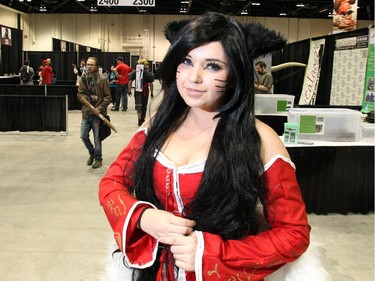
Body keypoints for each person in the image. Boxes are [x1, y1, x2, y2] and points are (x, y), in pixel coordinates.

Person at [99, 12, 310, 281]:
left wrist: (211, 252)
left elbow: (294, 233)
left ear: (235, 73)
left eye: (212, 66)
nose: (194, 77)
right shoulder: (158, 124)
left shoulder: (261, 140)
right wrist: (143, 218)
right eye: (186, 61)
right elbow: (111, 183)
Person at [77, 57, 111, 169]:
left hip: (98, 115)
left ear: (96, 66)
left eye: (91, 65)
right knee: (83, 136)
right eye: (87, 64)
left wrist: (100, 108)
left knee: (97, 138)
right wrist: (89, 99)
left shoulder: (103, 79)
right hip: (86, 113)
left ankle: (98, 159)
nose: (89, 66)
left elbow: (108, 97)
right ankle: (92, 152)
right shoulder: (83, 79)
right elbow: (80, 94)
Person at [128, 59, 154, 126]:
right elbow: (151, 84)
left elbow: (130, 81)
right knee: (144, 106)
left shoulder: (135, 72)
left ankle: (139, 119)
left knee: (138, 105)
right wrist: (152, 92)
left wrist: (129, 90)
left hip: (137, 91)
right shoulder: (148, 73)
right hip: (145, 91)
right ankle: (142, 119)